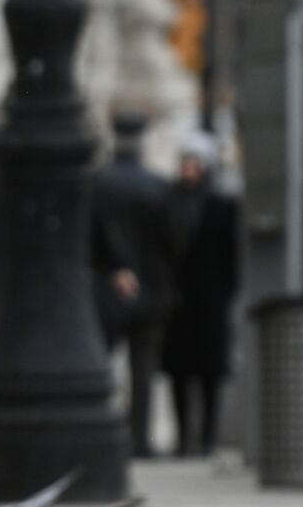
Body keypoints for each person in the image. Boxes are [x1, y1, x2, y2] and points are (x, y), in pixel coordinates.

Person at [90, 112, 175, 458]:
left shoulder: (97, 183)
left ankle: (101, 433)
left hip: (104, 288)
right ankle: (139, 439)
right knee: (143, 369)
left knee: (102, 363)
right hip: (150, 290)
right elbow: (172, 241)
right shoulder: (158, 185)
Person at [161, 130, 239, 457]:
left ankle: (207, 437)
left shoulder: (222, 205)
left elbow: (232, 255)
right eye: (184, 161)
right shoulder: (169, 200)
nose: (187, 168)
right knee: (178, 373)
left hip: (210, 300)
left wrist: (225, 292)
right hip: (178, 300)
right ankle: (183, 438)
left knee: (209, 374)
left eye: (193, 162)